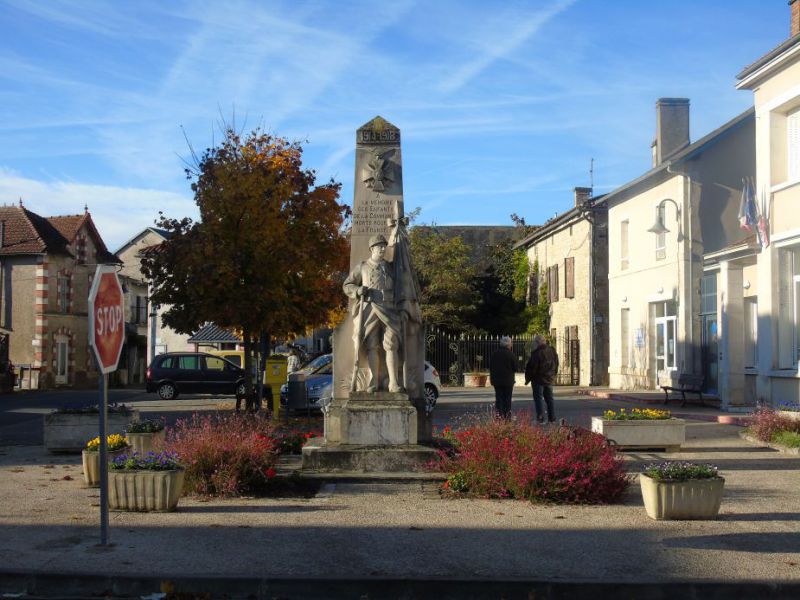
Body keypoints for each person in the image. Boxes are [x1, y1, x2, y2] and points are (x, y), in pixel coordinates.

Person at [343, 234, 403, 392]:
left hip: (389, 309)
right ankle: (374, 381)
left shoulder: (392, 267)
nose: (383, 248)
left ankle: (393, 382)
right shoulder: (363, 266)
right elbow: (347, 284)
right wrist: (357, 290)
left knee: (391, 344)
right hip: (370, 309)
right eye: (379, 246)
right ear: (372, 249)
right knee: (372, 345)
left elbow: (402, 285)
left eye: (384, 245)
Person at [525, 334, 559, 423]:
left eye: (535, 342)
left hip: (538, 380)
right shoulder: (552, 350)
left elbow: (532, 368)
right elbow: (556, 363)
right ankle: (552, 418)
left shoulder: (537, 353)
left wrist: (529, 378)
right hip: (549, 378)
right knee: (550, 399)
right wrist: (554, 374)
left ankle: (540, 418)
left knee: (538, 399)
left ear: (538, 342)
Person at [489, 336, 516, 418]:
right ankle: (507, 416)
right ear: (508, 344)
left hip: (497, 380)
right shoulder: (511, 354)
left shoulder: (494, 354)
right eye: (511, 343)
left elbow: (490, 366)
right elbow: (516, 368)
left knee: (499, 398)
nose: (511, 345)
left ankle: (499, 416)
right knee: (507, 399)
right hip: (508, 381)